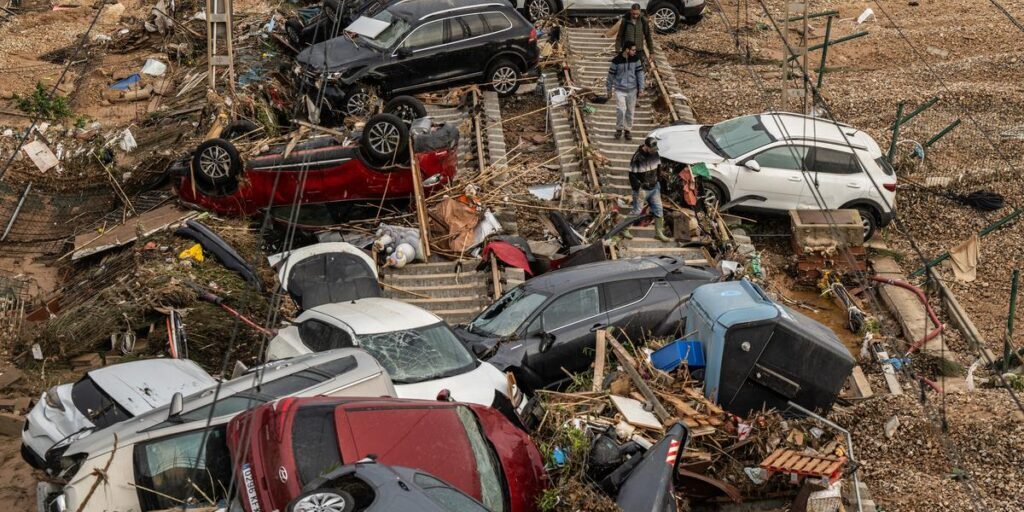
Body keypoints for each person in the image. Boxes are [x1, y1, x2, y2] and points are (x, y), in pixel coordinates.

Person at [622, 136, 672, 242]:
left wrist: (659, 181)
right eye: (651, 149)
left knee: (659, 210)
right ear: (646, 146)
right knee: (637, 210)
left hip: (654, 188)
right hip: (642, 190)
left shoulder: (655, 153)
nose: (653, 151)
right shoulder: (637, 158)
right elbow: (632, 175)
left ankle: (659, 233)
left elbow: (658, 168)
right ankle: (624, 229)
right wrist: (638, 188)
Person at [606, 41, 645, 141]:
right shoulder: (616, 61)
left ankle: (627, 130)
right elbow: (610, 76)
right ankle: (619, 129)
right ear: (626, 50)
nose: (634, 52)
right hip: (620, 90)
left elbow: (640, 74)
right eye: (633, 50)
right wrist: (609, 90)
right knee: (620, 110)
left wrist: (641, 89)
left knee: (630, 111)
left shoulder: (636, 60)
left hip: (632, 90)